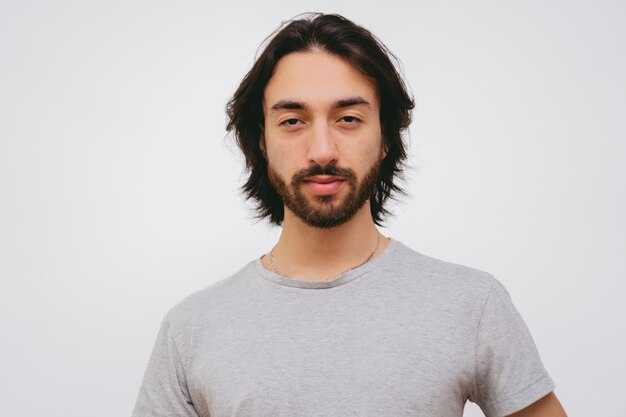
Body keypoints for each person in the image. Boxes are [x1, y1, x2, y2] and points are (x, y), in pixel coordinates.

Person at [132, 13, 567, 417]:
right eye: (292, 121)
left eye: (349, 118)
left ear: (384, 138)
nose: (322, 150)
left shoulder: (473, 305)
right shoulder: (190, 329)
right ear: (261, 142)